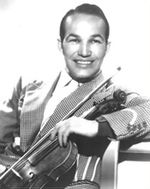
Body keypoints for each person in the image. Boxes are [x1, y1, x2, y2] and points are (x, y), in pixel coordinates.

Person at [0, 3, 150, 189]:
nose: (84, 52)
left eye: (95, 41)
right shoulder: (29, 87)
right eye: (74, 40)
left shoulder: (112, 94)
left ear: (106, 47)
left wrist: (96, 126)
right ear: (60, 45)